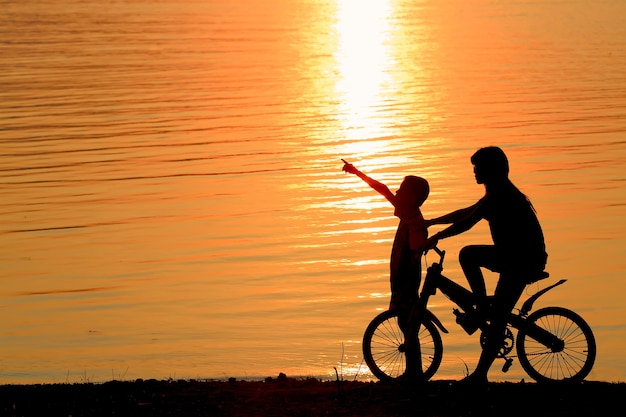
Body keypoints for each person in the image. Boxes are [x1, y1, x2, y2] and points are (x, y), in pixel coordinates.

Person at [424, 146, 547, 385]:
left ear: (490, 170)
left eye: (478, 168)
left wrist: (437, 236)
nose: (474, 172)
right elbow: (466, 212)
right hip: (513, 255)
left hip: (522, 260)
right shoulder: (495, 192)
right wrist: (433, 222)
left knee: (496, 311)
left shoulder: (501, 194)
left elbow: (467, 223)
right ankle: (481, 308)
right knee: (470, 256)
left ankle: (480, 373)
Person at [341, 159, 429, 317]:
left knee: (408, 323)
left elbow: (414, 261)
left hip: (406, 286)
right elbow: (383, 189)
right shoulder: (406, 214)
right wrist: (357, 173)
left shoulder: (415, 224)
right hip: (399, 284)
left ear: (412, 198)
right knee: (403, 323)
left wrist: (405, 290)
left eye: (401, 190)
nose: (396, 192)